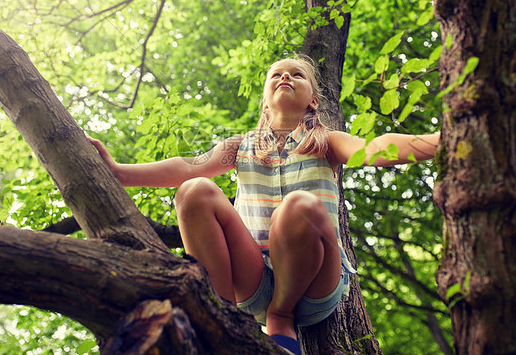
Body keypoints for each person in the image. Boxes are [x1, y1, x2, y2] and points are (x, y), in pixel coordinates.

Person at [89, 56, 439, 355]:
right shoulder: (241, 147)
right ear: (265, 102)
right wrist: (120, 173)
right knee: (195, 189)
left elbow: (375, 147)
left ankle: (281, 315)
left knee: (298, 205)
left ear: (313, 101)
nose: (285, 77)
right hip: (252, 277)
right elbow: (187, 167)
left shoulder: (326, 142)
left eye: (296, 74)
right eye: (277, 74)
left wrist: (441, 139)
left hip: (315, 282)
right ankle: (218, 314)